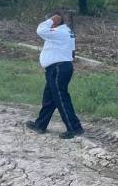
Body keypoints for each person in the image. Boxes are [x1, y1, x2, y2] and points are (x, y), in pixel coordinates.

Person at [25, 11, 84, 139]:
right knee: (49, 98)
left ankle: (74, 128)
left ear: (56, 22)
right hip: (60, 68)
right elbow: (72, 52)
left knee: (61, 99)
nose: (49, 24)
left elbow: (40, 30)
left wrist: (53, 19)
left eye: (51, 22)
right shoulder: (67, 32)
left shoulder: (59, 32)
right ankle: (40, 124)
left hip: (58, 69)